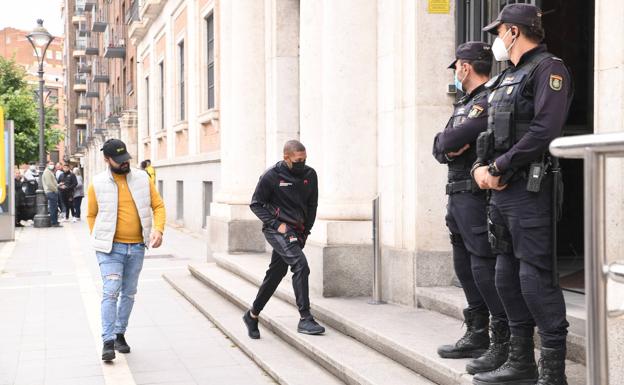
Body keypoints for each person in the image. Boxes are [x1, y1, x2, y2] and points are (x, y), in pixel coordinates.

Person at [471, 4, 573, 385]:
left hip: (531, 188)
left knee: (535, 277)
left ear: (514, 31)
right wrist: (481, 169)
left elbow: (545, 130)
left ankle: (553, 373)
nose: (497, 40)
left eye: (498, 32)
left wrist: (499, 168)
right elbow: (488, 134)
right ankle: (519, 361)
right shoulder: (506, 77)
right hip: (501, 191)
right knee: (505, 276)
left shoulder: (550, 69)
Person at [432, 41, 510, 375]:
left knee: (482, 266)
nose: (456, 73)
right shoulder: (464, 103)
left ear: (465, 67)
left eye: (457, 67)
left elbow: (449, 141)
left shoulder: (485, 99)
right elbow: (440, 147)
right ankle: (477, 331)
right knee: (464, 265)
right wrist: (446, 145)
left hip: (476, 195)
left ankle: (500, 341)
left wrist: (447, 144)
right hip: (457, 195)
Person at [87, 139, 165, 362]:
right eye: (118, 161)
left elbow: (158, 206)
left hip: (137, 247)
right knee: (111, 290)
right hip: (110, 249)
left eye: (126, 160)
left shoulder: (142, 178)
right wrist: (98, 236)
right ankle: (108, 341)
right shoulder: (98, 183)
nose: (124, 164)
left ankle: (120, 333)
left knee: (129, 293)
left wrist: (158, 229)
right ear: (107, 159)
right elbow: (91, 214)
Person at [243, 140, 325, 338]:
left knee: (276, 274)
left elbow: (312, 205)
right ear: (286, 158)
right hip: (277, 230)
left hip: (298, 231)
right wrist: (276, 224)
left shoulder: (310, 174)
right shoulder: (272, 176)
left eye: (304, 160)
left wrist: (306, 231)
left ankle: (252, 315)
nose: (302, 164)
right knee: (301, 265)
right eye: (298, 160)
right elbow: (256, 204)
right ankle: (305, 318)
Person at [42, 161, 61, 227]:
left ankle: (55, 221)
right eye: (50, 164)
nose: (52, 165)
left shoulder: (49, 172)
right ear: (47, 164)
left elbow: (52, 183)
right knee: (53, 208)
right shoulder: (47, 172)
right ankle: (54, 222)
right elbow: (49, 184)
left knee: (54, 207)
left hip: (52, 191)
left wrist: (58, 185)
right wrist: (55, 189)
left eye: (53, 164)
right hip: (51, 192)